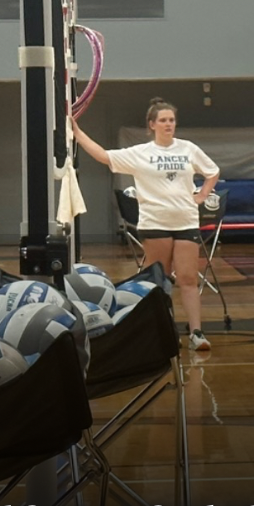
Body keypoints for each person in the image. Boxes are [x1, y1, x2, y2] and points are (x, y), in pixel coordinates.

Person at [72, 98, 219, 351]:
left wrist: (202, 195)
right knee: (157, 280)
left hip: (186, 221)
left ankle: (196, 333)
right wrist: (76, 132)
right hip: (155, 222)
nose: (168, 124)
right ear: (152, 125)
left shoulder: (188, 149)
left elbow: (212, 171)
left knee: (187, 278)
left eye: (171, 120)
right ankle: (160, 330)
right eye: (163, 120)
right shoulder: (140, 153)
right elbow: (104, 156)